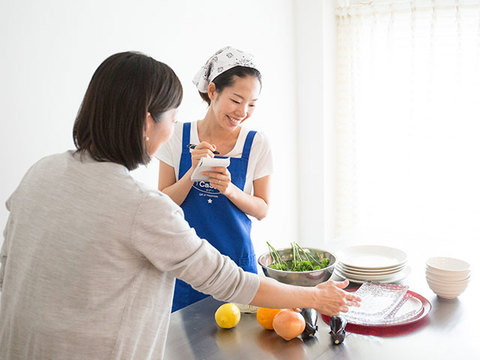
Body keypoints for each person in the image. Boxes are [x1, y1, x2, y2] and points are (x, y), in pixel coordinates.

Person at [0, 51, 360, 360]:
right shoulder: (141, 206)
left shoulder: (39, 171)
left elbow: (9, 266)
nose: (173, 130)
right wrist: (314, 295)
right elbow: (225, 279)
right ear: (146, 123)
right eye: (171, 119)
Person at [156, 46, 272, 311]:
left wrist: (230, 189)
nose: (243, 111)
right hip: (186, 269)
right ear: (212, 92)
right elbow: (161, 204)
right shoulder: (177, 136)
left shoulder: (256, 143)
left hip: (237, 268)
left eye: (252, 104)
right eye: (236, 100)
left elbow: (263, 209)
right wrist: (192, 173)